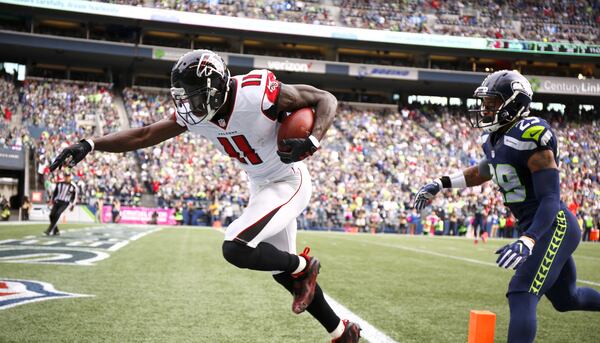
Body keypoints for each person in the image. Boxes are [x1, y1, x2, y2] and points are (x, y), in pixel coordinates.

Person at [49, 49, 360, 342]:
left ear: (215, 89)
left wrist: (314, 141)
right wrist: (90, 144)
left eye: (195, 98)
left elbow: (325, 99)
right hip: (260, 184)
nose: (189, 107)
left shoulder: (256, 91)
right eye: (184, 99)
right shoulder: (195, 115)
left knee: (236, 247)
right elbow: (143, 135)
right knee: (280, 270)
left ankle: (304, 267)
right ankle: (340, 331)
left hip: (288, 180)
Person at [413, 70, 600, 343]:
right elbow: (483, 171)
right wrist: (440, 183)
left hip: (553, 224)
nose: (485, 110)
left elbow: (550, 198)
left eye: (492, 104)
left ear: (513, 104)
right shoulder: (495, 139)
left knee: (522, 290)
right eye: (485, 103)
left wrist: (528, 239)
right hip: (536, 225)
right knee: (565, 298)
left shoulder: (530, 135)